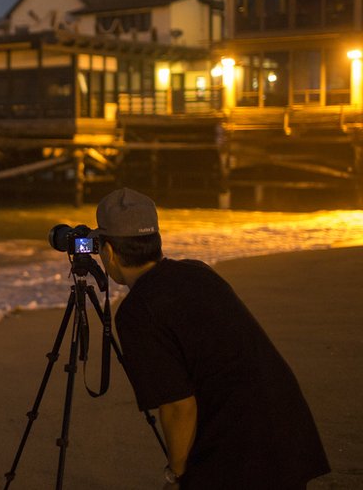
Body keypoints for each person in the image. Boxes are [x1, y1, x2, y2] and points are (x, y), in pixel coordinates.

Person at [90, 188, 329, 489]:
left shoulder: (138, 311)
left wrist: (176, 473)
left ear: (109, 251)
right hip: (289, 427)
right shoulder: (198, 272)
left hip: (242, 449)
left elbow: (179, 406)